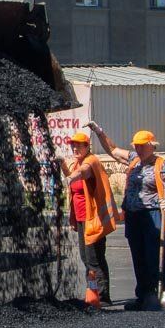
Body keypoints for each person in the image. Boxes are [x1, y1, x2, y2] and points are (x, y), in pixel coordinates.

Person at [88, 123, 165, 311]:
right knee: (139, 258)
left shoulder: (162, 165)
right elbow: (113, 150)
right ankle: (144, 296)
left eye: (141, 146)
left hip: (153, 215)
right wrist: (99, 132)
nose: (138, 149)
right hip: (134, 217)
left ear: (151, 146)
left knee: (156, 257)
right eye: (136, 146)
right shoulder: (133, 160)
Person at [60, 130, 119, 304]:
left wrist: (71, 176)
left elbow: (84, 173)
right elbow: (71, 175)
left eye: (79, 145)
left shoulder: (90, 161)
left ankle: (102, 295)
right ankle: (92, 291)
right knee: (86, 258)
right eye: (73, 145)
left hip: (93, 218)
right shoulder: (76, 163)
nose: (75, 148)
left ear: (87, 146)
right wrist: (62, 163)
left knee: (94, 258)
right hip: (80, 218)